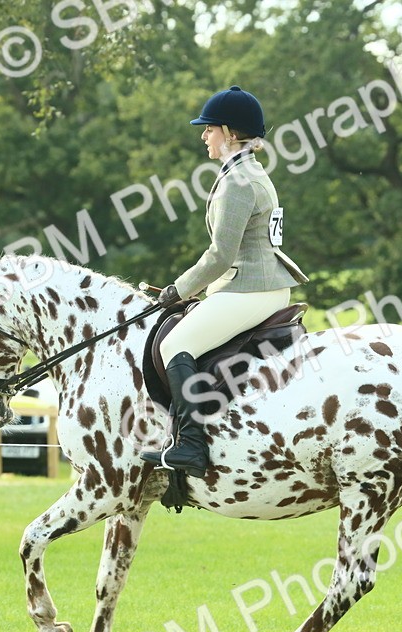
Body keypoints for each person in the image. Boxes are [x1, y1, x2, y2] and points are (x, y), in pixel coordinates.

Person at [141, 86, 309, 478]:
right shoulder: (247, 172)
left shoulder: (238, 182)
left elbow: (219, 255)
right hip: (260, 284)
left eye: (210, 129)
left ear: (231, 133)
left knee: (176, 342)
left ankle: (191, 446)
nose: (204, 136)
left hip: (250, 289)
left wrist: (177, 291)